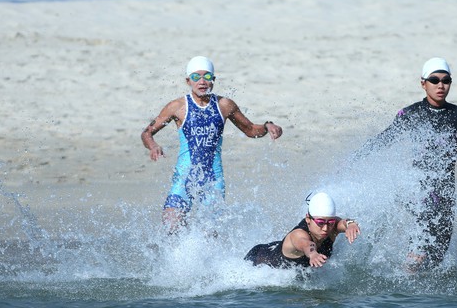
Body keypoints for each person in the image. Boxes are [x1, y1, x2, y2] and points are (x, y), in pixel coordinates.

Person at [356, 57, 457, 269]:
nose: (440, 85)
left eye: (446, 80)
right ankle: (405, 281)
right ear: (423, 83)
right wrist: (355, 158)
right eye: (434, 80)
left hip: (446, 191)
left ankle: (416, 290)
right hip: (419, 190)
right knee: (421, 247)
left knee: (438, 253)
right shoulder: (411, 113)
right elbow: (386, 138)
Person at [141, 56, 283, 231]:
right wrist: (153, 146)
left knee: (209, 233)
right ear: (188, 81)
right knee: (171, 225)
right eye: (196, 77)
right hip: (184, 177)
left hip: (213, 181)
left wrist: (267, 125)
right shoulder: (177, 106)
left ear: (213, 80)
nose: (202, 81)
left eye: (207, 77)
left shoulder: (224, 105)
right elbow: (147, 133)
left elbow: (251, 130)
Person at [244, 192, 361, 268]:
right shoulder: (298, 235)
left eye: (330, 222)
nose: (325, 228)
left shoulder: (331, 226)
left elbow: (343, 222)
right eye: (320, 222)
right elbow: (305, 244)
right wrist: (313, 254)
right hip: (259, 257)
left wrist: (351, 224)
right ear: (308, 219)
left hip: (276, 247)